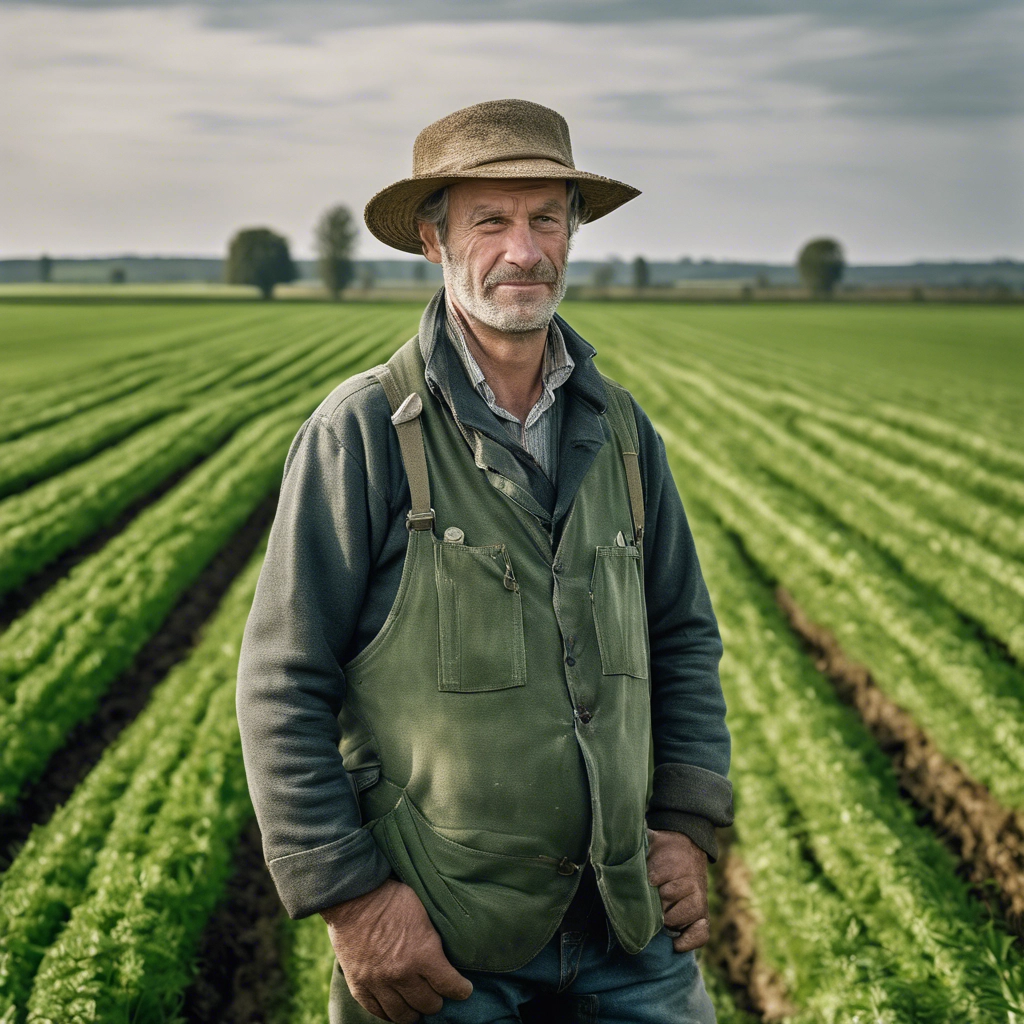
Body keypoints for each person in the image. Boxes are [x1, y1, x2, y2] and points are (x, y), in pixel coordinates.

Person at [236, 98, 733, 1024]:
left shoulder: (622, 429)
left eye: (547, 217)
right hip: (441, 942)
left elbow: (682, 638)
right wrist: (351, 899)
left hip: (631, 936)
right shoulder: (365, 433)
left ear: (573, 233)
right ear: (434, 240)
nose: (524, 250)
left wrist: (685, 825)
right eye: (491, 222)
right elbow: (281, 682)